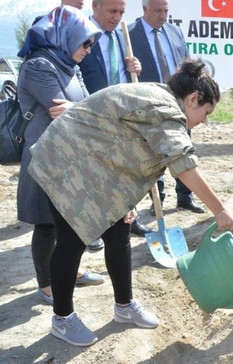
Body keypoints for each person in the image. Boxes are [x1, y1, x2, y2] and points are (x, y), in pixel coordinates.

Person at [29, 59, 233, 347]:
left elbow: (134, 149)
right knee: (72, 241)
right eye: (206, 111)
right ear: (193, 99)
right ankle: (62, 319)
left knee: (118, 231)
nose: (205, 120)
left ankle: (124, 306)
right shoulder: (165, 110)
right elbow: (183, 163)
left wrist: (123, 199)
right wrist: (220, 209)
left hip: (96, 166)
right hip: (65, 162)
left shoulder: (161, 98)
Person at [17, 5, 105, 306]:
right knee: (47, 223)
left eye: (92, 43)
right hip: (46, 157)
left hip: (71, 155)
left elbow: (80, 108)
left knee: (70, 219)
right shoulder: (39, 66)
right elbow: (60, 112)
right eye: (85, 42)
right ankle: (47, 286)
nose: (89, 49)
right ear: (65, 35)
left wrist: (82, 112)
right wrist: (84, 112)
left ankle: (71, 270)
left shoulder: (70, 66)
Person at [78, 0, 152, 237]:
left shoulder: (122, 36)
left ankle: (129, 219)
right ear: (95, 6)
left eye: (121, 12)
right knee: (93, 171)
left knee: (125, 168)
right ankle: (91, 227)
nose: (117, 17)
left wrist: (136, 68)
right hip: (91, 115)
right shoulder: (81, 34)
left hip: (122, 114)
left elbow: (126, 72)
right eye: (112, 11)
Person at [129, 0, 204, 214]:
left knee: (183, 145)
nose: (163, 16)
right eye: (157, 11)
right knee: (156, 150)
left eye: (165, 11)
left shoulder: (174, 31)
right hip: (151, 100)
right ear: (144, 10)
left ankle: (185, 196)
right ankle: (157, 199)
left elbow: (186, 64)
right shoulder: (131, 34)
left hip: (178, 99)